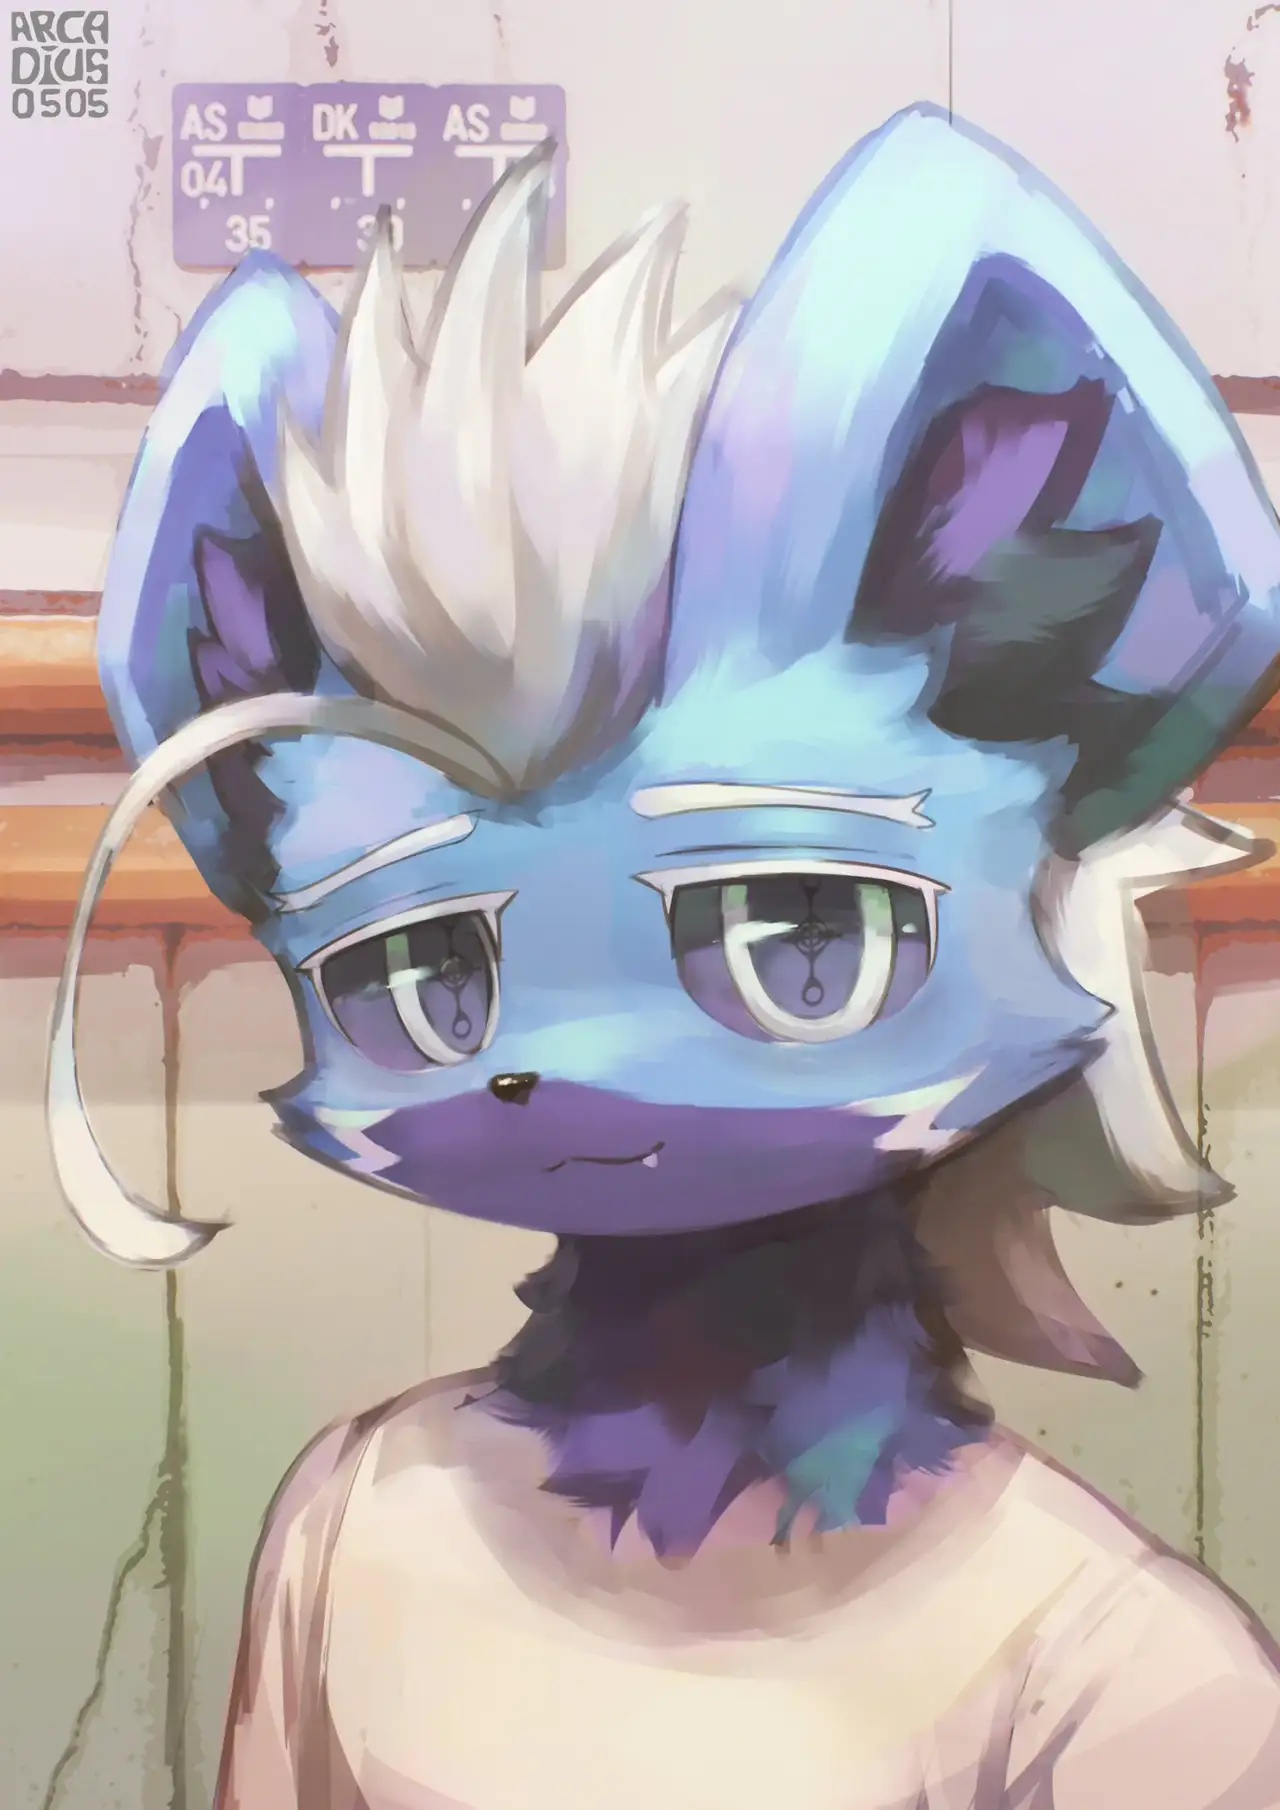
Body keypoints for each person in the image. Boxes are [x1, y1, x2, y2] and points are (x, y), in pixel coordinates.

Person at [49, 104, 1280, 1807]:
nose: (567, 1070)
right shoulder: (352, 1521)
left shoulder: (1122, 1675)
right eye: (427, 976)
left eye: (794, 937)